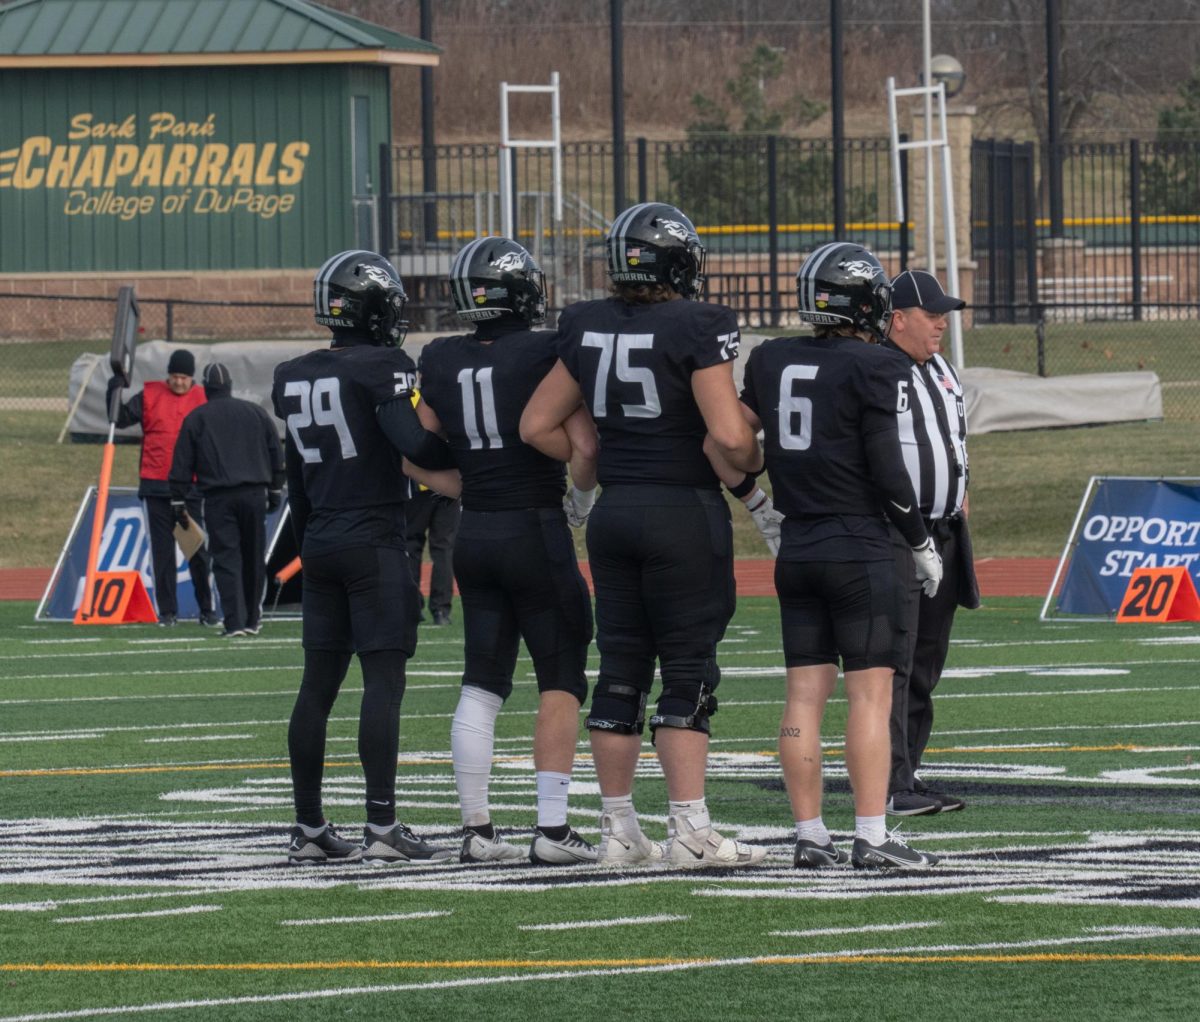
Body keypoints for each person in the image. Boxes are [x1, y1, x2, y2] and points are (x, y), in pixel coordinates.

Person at [521, 202, 766, 868]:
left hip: (614, 512)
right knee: (688, 670)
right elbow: (728, 434)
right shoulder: (698, 322)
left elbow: (537, 424)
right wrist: (754, 466)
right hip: (682, 511)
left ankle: (619, 831)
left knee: (621, 672)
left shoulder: (586, 323)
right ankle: (690, 829)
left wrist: (591, 458)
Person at [732, 242, 943, 870]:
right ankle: (873, 835)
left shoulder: (771, 358)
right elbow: (888, 469)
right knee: (871, 698)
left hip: (797, 545)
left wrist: (754, 499)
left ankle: (809, 835)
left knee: (803, 697)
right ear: (871, 302)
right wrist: (921, 542)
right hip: (861, 547)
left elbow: (726, 438)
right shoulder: (878, 367)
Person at [271, 249, 458, 866]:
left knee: (317, 685)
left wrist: (312, 541)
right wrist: (469, 442)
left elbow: (296, 478)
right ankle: (382, 825)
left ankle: (308, 827)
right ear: (374, 309)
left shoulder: (293, 372)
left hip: (319, 537)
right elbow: (414, 445)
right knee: (383, 680)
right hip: (375, 538)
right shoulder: (384, 365)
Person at [417, 236, 598, 865]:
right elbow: (585, 447)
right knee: (561, 680)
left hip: (475, 531)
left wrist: (469, 486)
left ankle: (476, 830)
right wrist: (579, 504)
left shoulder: (439, 358)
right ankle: (551, 831)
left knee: (481, 684)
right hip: (535, 527)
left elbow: (420, 455)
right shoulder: (546, 350)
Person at [883, 270, 980, 817]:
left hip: (944, 528)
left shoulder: (940, 368)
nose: (942, 322)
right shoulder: (879, 369)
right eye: (931, 313)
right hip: (898, 532)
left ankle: (908, 775)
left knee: (925, 661)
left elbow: (953, 442)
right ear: (898, 318)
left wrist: (962, 496)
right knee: (895, 659)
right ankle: (891, 781)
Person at [169, 363, 284, 638]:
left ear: (206, 389)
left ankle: (234, 622)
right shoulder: (255, 413)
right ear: (230, 385)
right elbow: (275, 450)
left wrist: (177, 499)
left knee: (226, 558)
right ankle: (253, 619)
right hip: (255, 494)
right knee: (254, 557)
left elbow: (182, 462)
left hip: (218, 497)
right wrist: (276, 489)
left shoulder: (197, 418)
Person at [107, 349, 217, 627]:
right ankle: (167, 612)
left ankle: (207, 609)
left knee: (196, 550)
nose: (179, 382)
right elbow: (118, 419)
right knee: (162, 552)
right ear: (168, 375)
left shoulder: (204, 399)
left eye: (184, 377)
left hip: (191, 488)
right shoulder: (149, 396)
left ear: (192, 378)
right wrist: (114, 389)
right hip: (156, 485)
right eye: (175, 376)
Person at [404, 486, 460, 625]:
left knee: (411, 543)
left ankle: (413, 606)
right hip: (448, 488)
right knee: (444, 548)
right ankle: (441, 610)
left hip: (421, 486)